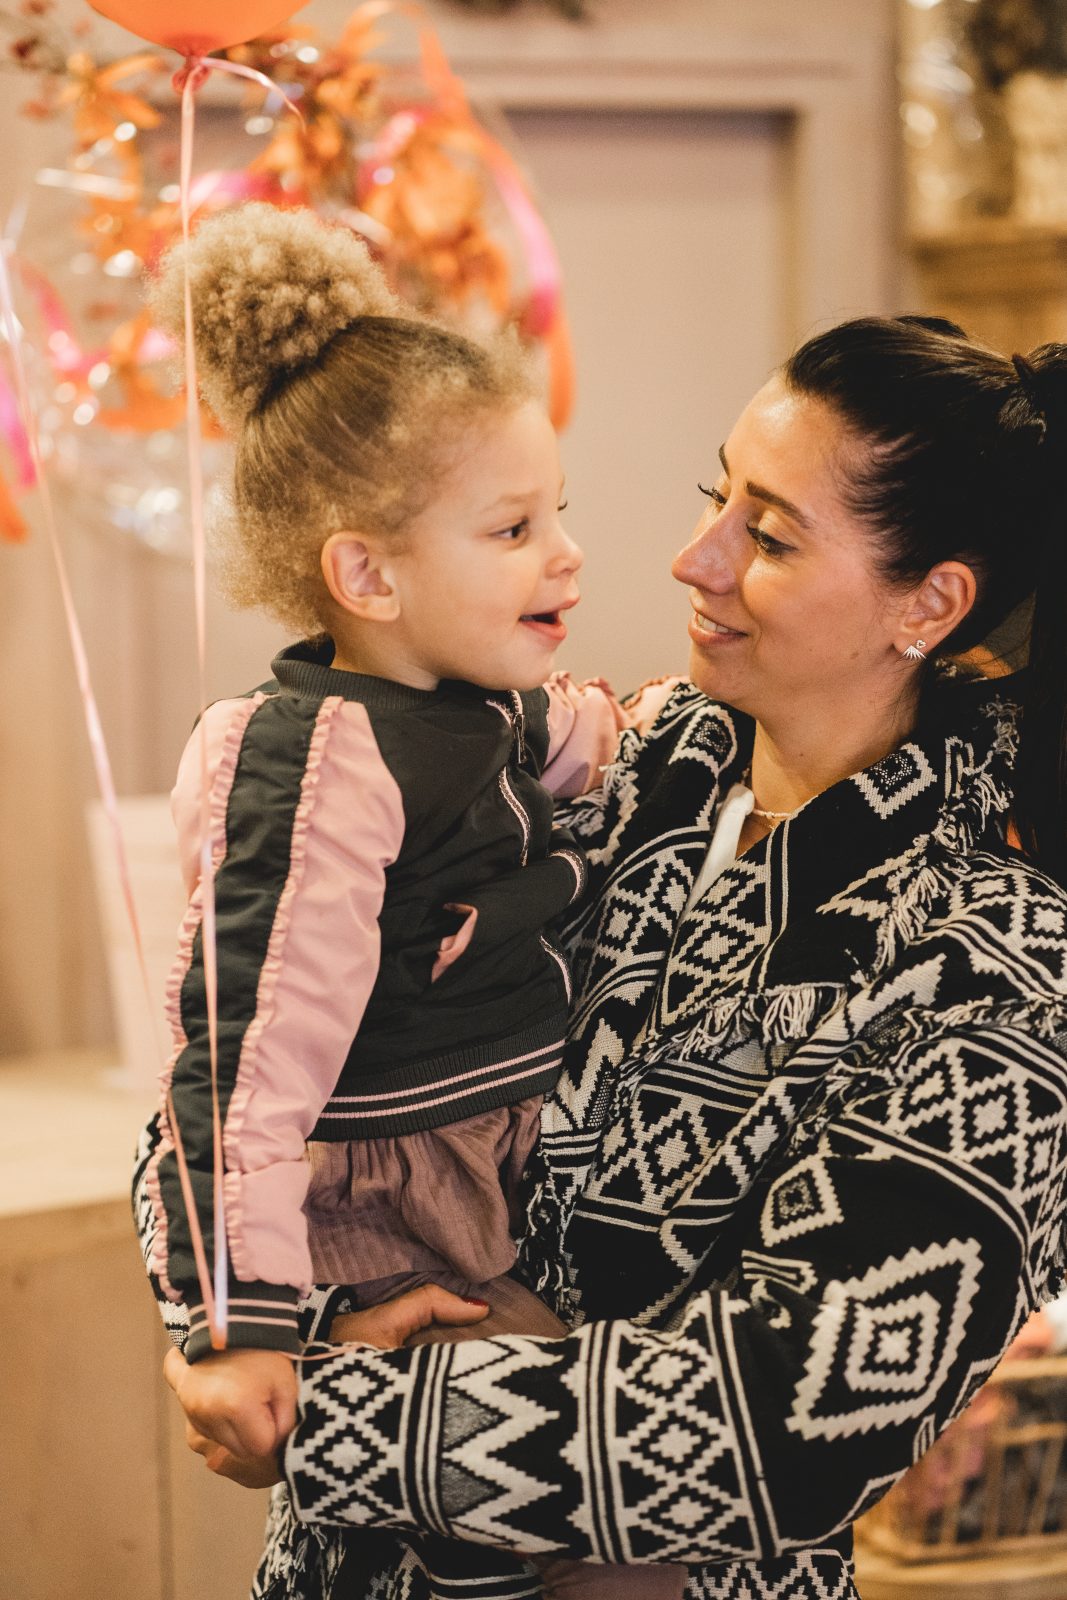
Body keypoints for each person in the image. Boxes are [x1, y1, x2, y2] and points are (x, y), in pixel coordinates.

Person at [148, 313, 1067, 1600]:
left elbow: (779, 1423)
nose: (693, 557)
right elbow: (235, 1072)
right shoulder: (584, 772)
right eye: (714, 494)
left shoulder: (999, 960)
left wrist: (314, 1411)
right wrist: (256, 1326)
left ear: (930, 602)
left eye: (768, 537)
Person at [141, 202, 685, 1599]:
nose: (565, 552)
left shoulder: (465, 703)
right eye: (513, 527)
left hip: (475, 1170)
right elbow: (245, 1064)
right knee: (538, 1534)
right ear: (366, 573)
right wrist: (240, 1325)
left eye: (555, 511)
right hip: (381, 1209)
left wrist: (642, 729)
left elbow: (566, 742)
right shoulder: (320, 767)